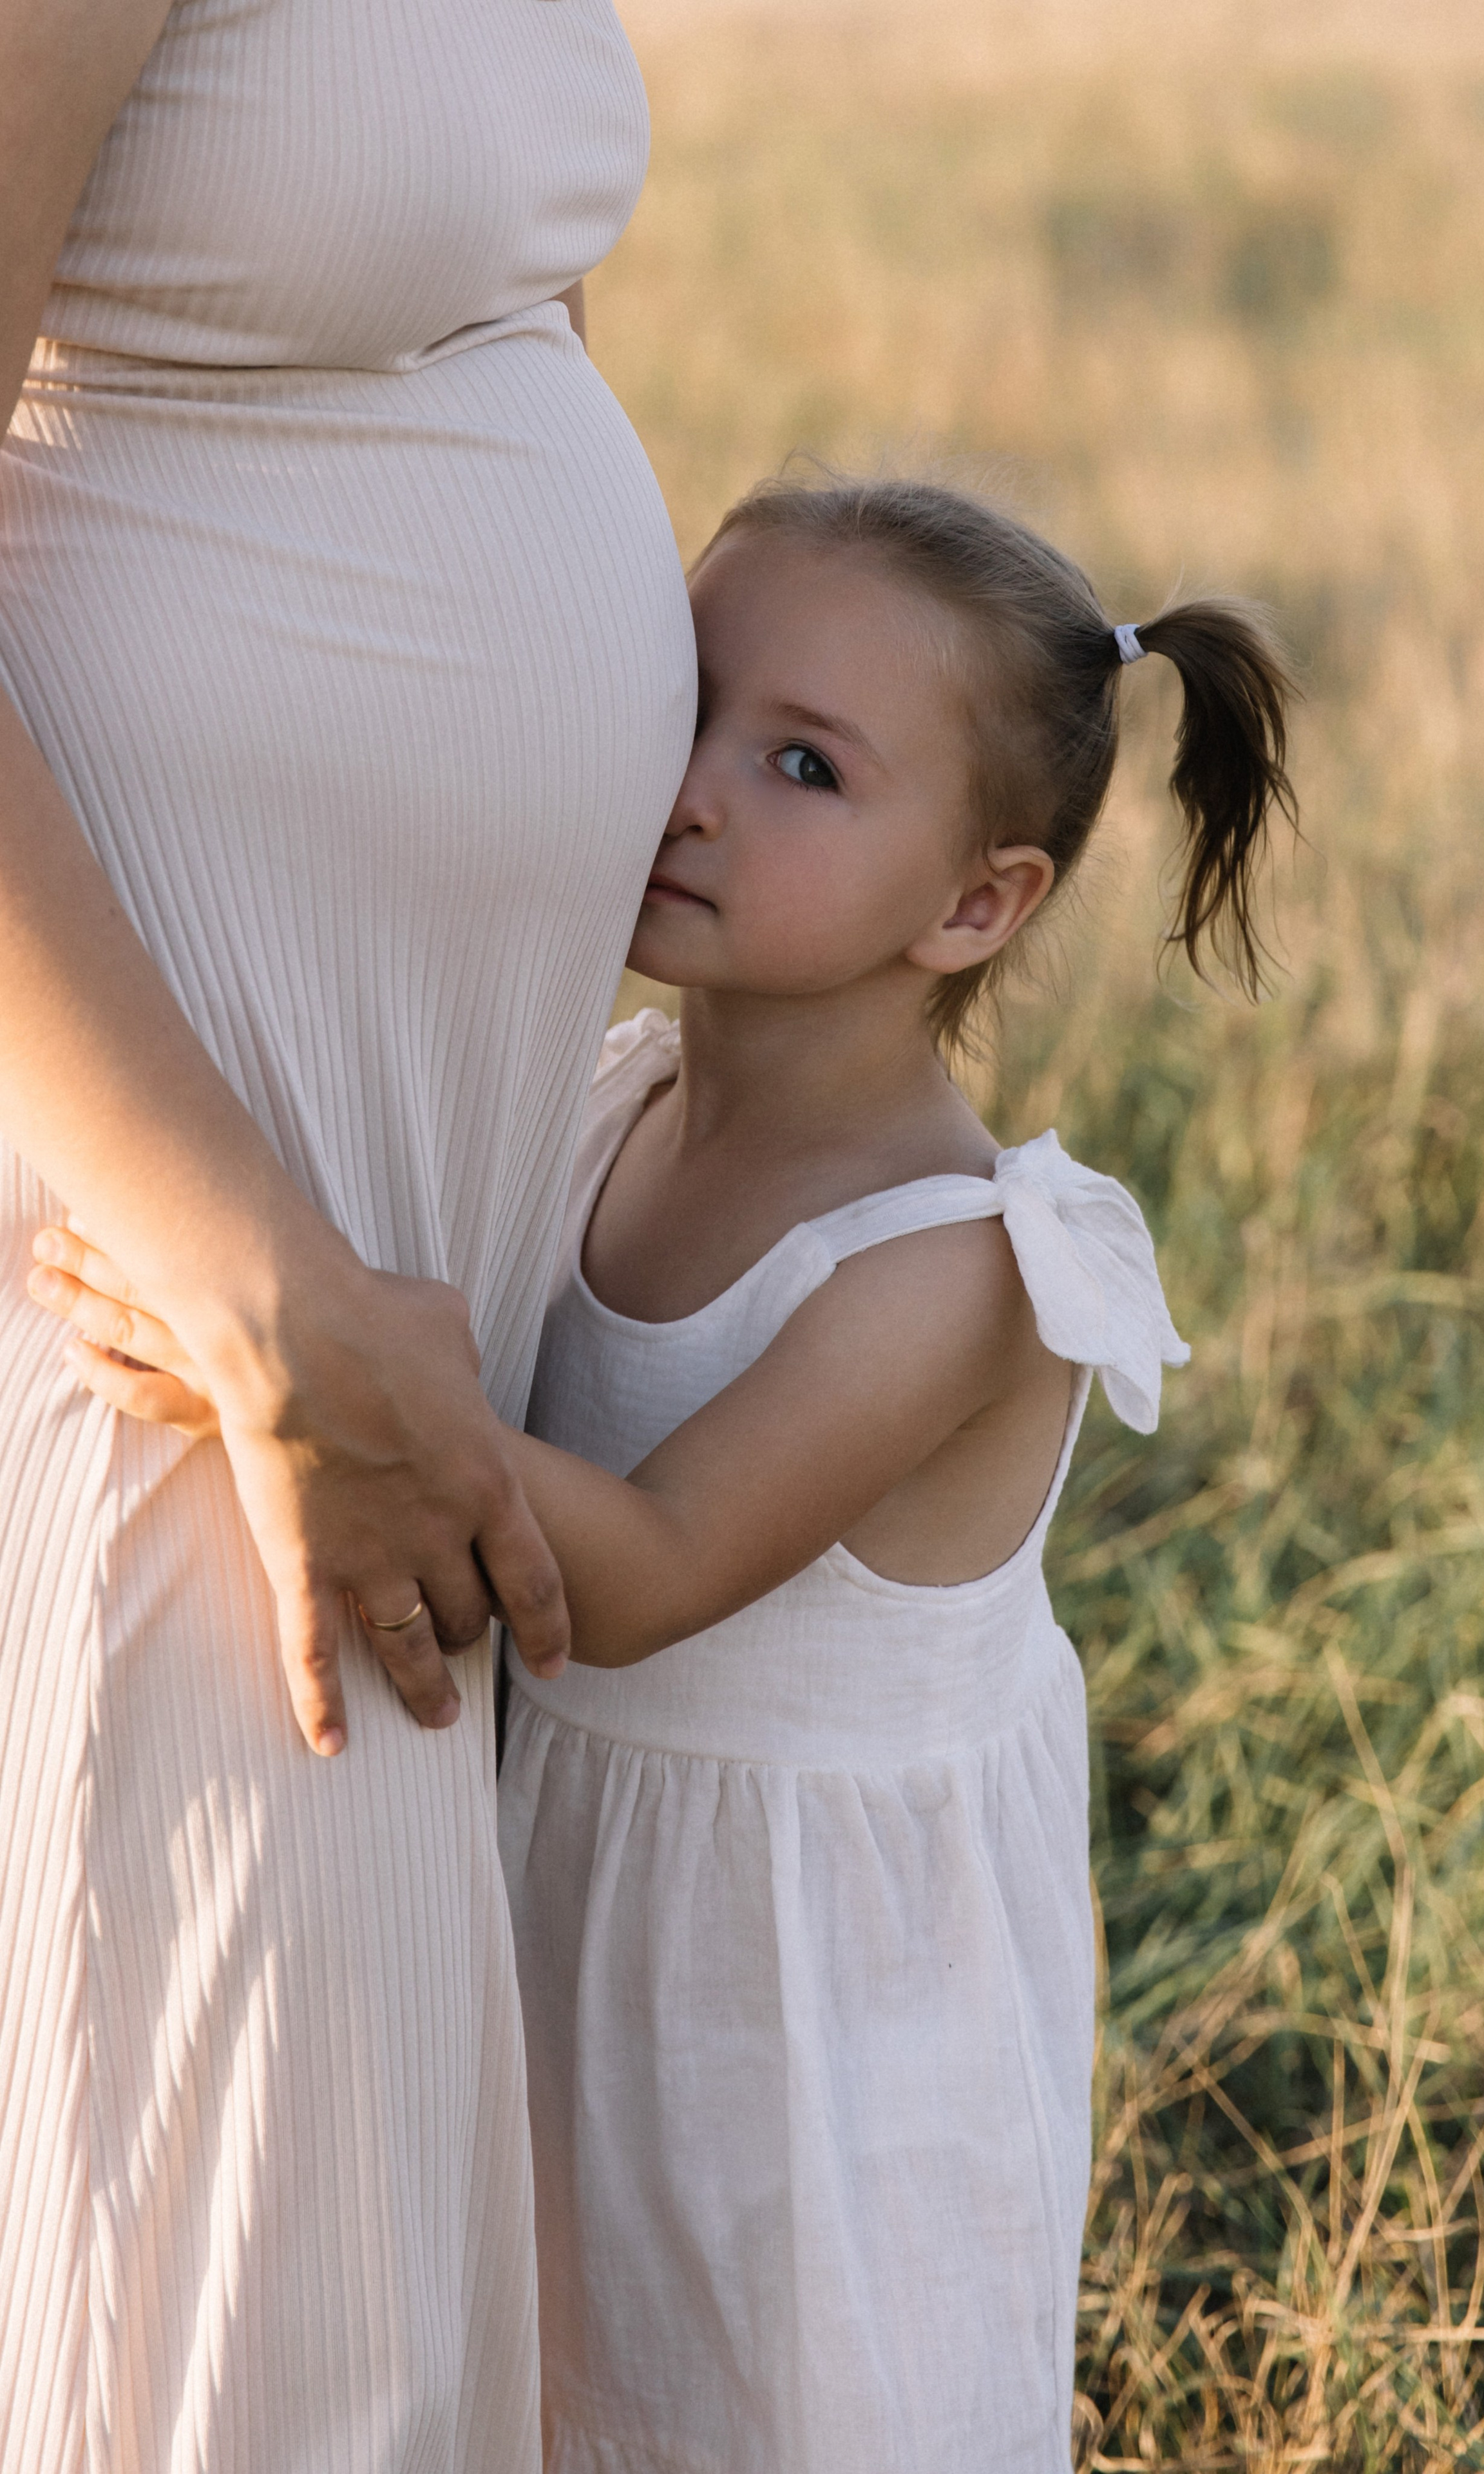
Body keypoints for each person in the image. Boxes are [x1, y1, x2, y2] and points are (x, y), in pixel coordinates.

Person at [37, 475, 1298, 2471]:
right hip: (578, 1919)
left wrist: (256, 1357)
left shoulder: (956, 1267)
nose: (694, 789)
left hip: (817, 2030)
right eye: (688, 706)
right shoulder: (607, 1099)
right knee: (577, 2390)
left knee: (793, 2408)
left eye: (802, 765)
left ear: (980, 901)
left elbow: (633, 1572)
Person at [0, 1, 695, 2466]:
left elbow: (491, 313)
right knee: (207, 2231)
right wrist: (250, 1285)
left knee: (336, 2219)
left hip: (384, 1197)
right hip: (169, 1223)